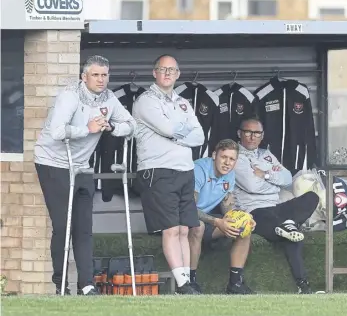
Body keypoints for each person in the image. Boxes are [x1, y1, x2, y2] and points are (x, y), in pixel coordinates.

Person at [34, 55, 136, 296]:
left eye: (104, 75)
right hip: (54, 162)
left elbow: (131, 124)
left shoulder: (109, 98)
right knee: (63, 226)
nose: (101, 80)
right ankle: (60, 284)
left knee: (84, 228)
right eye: (95, 75)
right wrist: (87, 129)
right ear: (84, 77)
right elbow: (58, 131)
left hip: (82, 165)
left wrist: (112, 127)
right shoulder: (69, 96)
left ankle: (87, 284)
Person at [133, 55, 205, 294]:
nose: (167, 73)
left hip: (185, 170)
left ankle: (187, 280)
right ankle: (183, 283)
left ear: (178, 74)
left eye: (171, 70)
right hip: (158, 171)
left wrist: (176, 131)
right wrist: (178, 130)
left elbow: (200, 136)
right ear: (154, 72)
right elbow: (167, 128)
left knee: (185, 229)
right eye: (162, 69)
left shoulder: (184, 102)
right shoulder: (145, 101)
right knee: (171, 229)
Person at [233, 117, 320, 294]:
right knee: (291, 235)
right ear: (239, 133)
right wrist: (273, 180)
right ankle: (303, 285)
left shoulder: (266, 154)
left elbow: (288, 179)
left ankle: (289, 224)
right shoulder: (235, 156)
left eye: (256, 133)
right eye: (248, 132)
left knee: (311, 197)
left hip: (277, 207)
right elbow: (251, 185)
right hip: (255, 211)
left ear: (262, 135)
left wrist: (265, 175)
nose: (252, 137)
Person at [188, 139, 256, 294]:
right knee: (198, 227)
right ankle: (190, 282)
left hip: (210, 217)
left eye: (232, 159)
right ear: (214, 155)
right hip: (185, 217)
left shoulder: (230, 174)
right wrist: (217, 221)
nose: (227, 163)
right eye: (223, 157)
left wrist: (243, 217)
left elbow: (227, 207)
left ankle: (235, 284)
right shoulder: (199, 169)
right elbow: (189, 208)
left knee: (243, 227)